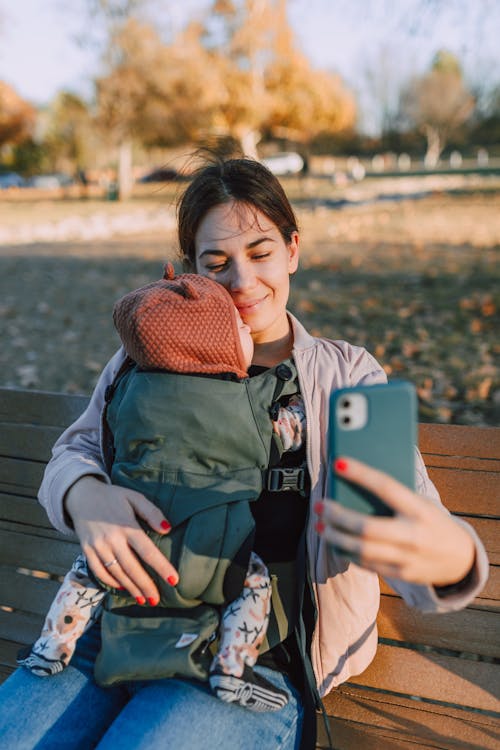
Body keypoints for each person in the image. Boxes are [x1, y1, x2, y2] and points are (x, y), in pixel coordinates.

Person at [0, 157, 488, 750]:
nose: (242, 281)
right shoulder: (146, 356)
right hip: (110, 632)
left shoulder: (345, 376)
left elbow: (407, 511)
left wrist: (449, 555)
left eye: (261, 253)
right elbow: (73, 452)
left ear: (293, 250)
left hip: (252, 663)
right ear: (189, 269)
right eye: (217, 263)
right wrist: (86, 497)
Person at [19, 265, 306, 713]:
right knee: (252, 584)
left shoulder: (132, 387)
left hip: (130, 555)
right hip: (213, 553)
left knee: (84, 573)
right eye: (236, 328)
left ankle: (52, 648)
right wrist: (301, 418)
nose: (244, 319)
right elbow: (284, 432)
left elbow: (102, 436)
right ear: (215, 347)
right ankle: (232, 667)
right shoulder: (249, 400)